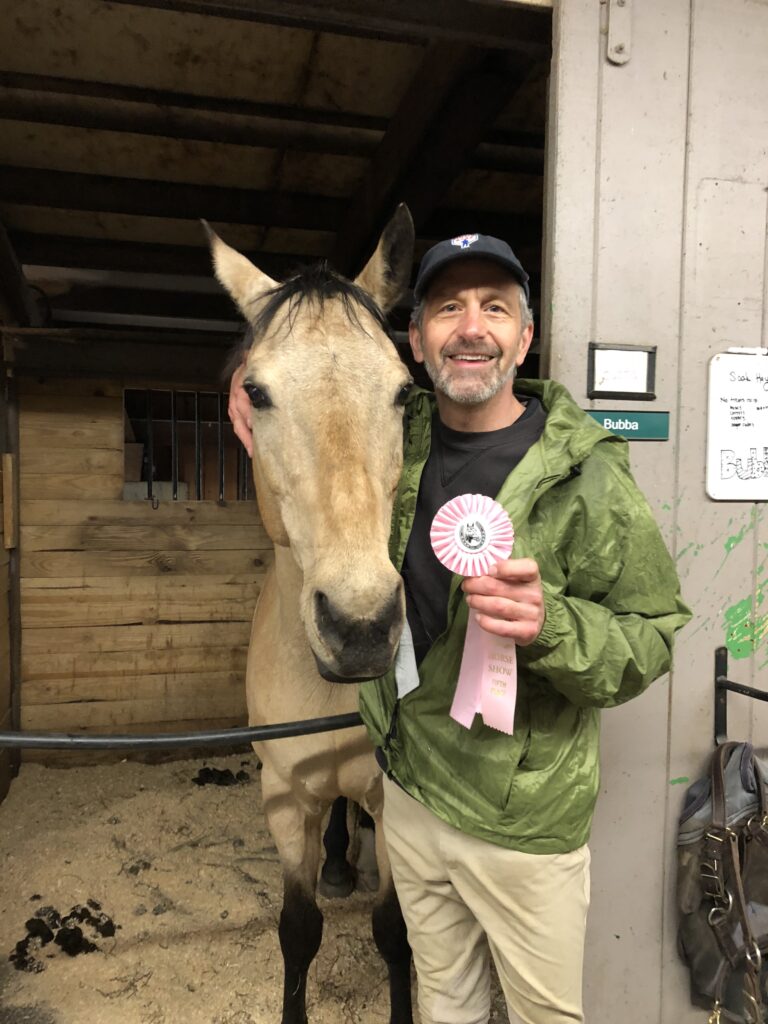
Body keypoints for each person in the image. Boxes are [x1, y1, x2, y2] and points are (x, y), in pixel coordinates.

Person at [229, 233, 691, 1024]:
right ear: (416, 340)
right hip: (410, 799)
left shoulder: (588, 474)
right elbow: (324, 422)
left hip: (524, 820)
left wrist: (554, 626)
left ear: (525, 336)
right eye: (448, 307)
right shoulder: (395, 447)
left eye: (495, 307)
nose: (471, 326)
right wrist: (262, 411)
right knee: (446, 1007)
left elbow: (650, 637)